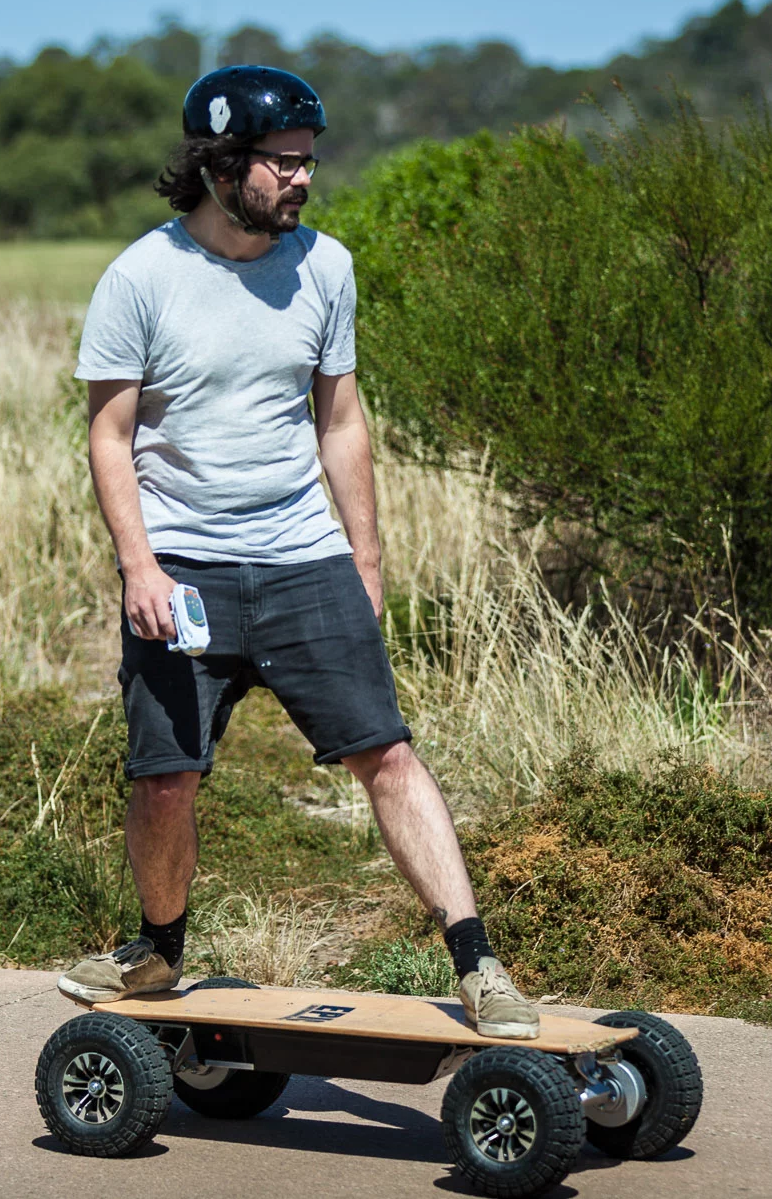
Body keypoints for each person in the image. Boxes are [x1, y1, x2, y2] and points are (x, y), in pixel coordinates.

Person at [56, 65, 539, 1039]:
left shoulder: (326, 266)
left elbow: (341, 420)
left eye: (308, 161)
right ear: (221, 164)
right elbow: (109, 436)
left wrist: (364, 558)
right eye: (283, 163)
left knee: (388, 756)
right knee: (163, 775)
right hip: (182, 570)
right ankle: (157, 947)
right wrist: (139, 568)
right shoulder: (139, 278)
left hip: (300, 559)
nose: (302, 180)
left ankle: (478, 963)